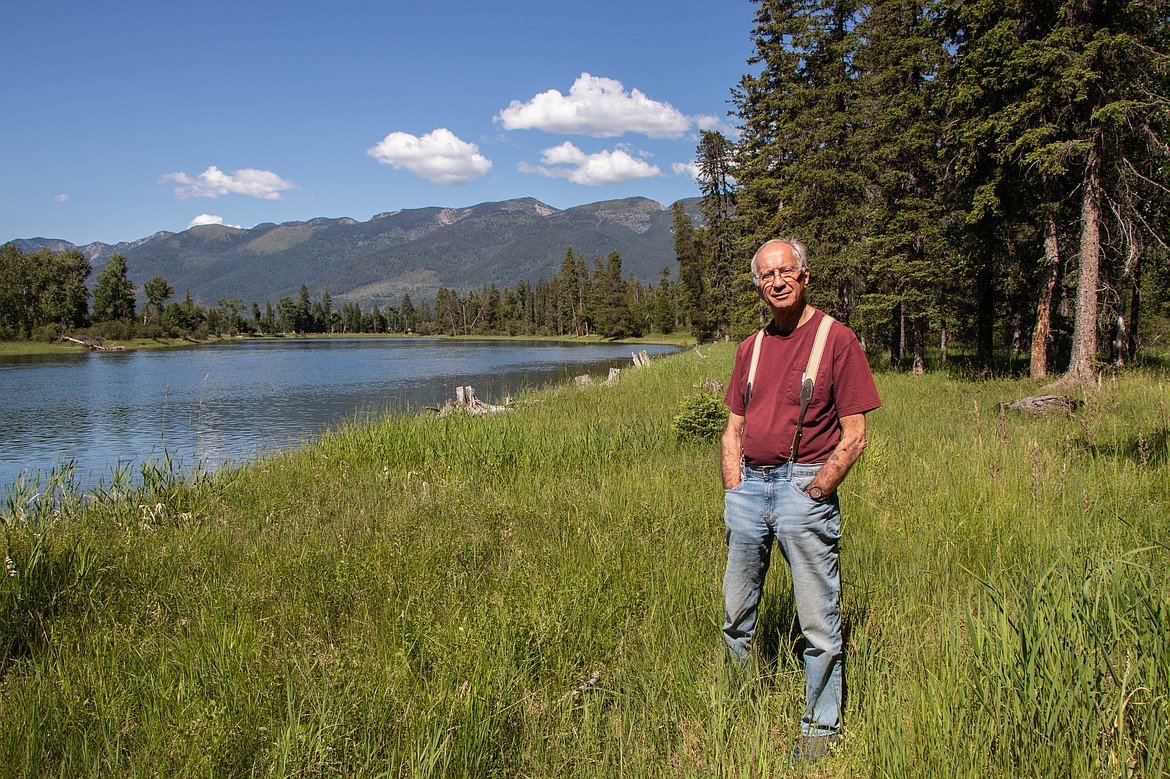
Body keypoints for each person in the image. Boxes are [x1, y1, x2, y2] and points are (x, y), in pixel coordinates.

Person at [720, 238, 881, 763]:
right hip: (749, 490)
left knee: (817, 619)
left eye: (786, 271)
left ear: (805, 276)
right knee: (737, 610)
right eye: (767, 275)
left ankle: (821, 728)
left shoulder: (837, 340)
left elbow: (854, 434)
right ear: (759, 285)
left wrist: (816, 489)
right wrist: (734, 486)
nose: (777, 281)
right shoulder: (752, 347)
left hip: (802, 486)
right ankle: (736, 699)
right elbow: (732, 428)